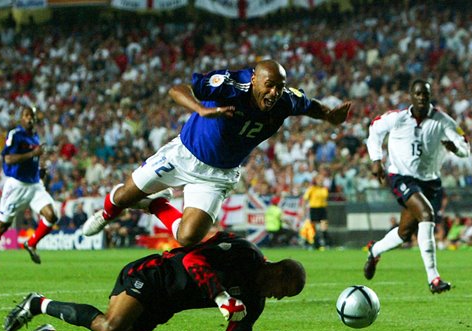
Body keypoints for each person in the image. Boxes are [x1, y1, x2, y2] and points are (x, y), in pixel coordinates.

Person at [82, 59, 351, 248]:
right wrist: (202, 109)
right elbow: (177, 89)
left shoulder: (286, 100)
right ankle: (106, 215)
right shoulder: (231, 84)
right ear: (254, 79)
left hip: (218, 174)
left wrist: (329, 116)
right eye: (268, 85)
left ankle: (156, 204)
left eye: (279, 87)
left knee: (187, 238)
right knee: (123, 197)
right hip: (184, 154)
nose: (273, 92)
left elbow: (309, 105)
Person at [2, 231, 306, 331]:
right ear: (279, 272)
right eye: (284, 290)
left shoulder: (255, 301)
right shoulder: (245, 253)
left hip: (165, 306)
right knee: (109, 326)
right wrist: (220, 297)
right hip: (154, 275)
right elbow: (191, 259)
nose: (279, 297)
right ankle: (38, 303)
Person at [363, 79, 469, 294]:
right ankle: (434, 278)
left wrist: (456, 149)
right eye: (418, 94)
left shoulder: (443, 121)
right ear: (411, 96)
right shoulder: (398, 118)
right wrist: (376, 160)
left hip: (429, 182)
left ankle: (374, 250)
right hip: (401, 176)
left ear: (430, 96)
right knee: (427, 215)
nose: (422, 97)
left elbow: (465, 146)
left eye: (426, 94)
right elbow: (374, 129)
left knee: (405, 232)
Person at [0, 106, 58, 279]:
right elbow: (8, 158)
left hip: (34, 184)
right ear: (21, 118)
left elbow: (32, 159)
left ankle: (31, 244)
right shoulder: (16, 135)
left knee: (51, 216)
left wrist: (38, 171)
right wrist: (33, 154)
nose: (30, 119)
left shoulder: (35, 136)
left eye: (33, 116)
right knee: (3, 225)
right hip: (16, 186)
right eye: (27, 116)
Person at [303, 176, 330, 250]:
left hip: (322, 209)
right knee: (314, 228)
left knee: (324, 227)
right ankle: (315, 243)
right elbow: (305, 199)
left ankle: (326, 243)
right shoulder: (312, 189)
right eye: (319, 180)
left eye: (322, 180)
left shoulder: (324, 189)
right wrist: (303, 209)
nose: (321, 181)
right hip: (314, 209)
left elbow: (325, 200)